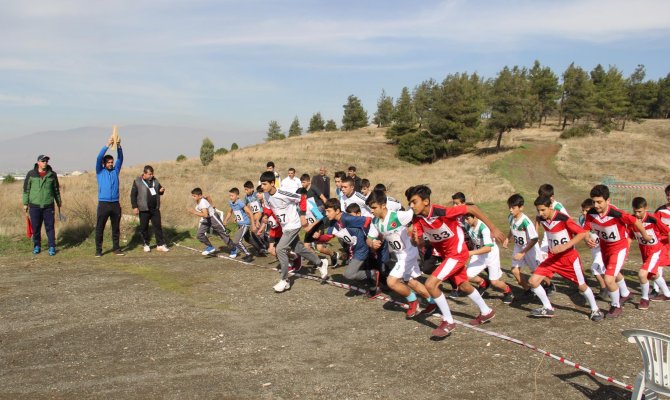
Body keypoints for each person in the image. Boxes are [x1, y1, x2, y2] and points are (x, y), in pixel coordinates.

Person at [406, 185, 503, 338]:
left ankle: (448, 321)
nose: (411, 206)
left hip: (457, 253)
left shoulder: (442, 211)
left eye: (414, 202)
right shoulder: (418, 219)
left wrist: (492, 228)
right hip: (448, 256)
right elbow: (420, 243)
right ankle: (486, 311)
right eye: (409, 203)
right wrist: (415, 240)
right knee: (464, 285)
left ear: (425, 201)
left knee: (430, 284)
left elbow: (473, 208)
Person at [527, 196, 604, 321]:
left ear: (550, 207)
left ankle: (595, 310)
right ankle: (548, 308)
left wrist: (566, 246)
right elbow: (539, 221)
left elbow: (582, 233)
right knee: (533, 281)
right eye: (538, 210)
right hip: (552, 259)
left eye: (543, 210)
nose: (540, 213)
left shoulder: (563, 218)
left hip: (569, 259)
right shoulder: (541, 218)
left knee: (582, 286)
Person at [582, 184, 652, 318]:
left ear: (608, 201)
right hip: (604, 247)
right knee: (612, 272)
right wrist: (586, 238)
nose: (596, 205)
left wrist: (644, 235)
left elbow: (636, 222)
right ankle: (625, 293)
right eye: (594, 202)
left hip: (619, 248)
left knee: (608, 279)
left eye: (599, 202)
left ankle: (615, 306)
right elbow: (586, 228)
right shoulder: (591, 213)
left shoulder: (617, 213)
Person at [365, 190, 434, 318]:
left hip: (408, 253)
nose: (372, 211)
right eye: (370, 208)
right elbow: (369, 239)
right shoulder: (375, 222)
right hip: (399, 255)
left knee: (391, 282)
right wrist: (372, 243)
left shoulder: (397, 216)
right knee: (411, 282)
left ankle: (413, 302)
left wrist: (415, 229)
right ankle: (433, 302)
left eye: (374, 207)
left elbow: (416, 212)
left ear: (383, 205)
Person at [259, 171, 328, 292]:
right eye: (261, 184)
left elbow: (302, 199)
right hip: (285, 226)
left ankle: (285, 280)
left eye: (264, 184)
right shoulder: (266, 195)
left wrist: (302, 216)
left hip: (294, 224)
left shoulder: (283, 193)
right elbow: (269, 208)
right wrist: (266, 215)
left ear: (272, 183)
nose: (262, 187)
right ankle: (321, 263)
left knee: (280, 249)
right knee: (298, 249)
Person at [464, 212, 514, 304]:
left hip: (491, 255)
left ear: (475, 217)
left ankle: (508, 292)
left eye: (468, 219)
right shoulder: (468, 225)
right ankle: (483, 283)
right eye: (465, 219)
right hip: (478, 254)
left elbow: (488, 248)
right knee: (466, 276)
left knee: (494, 282)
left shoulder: (483, 228)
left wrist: (470, 252)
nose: (466, 221)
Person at [630, 197, 670, 308]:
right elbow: (630, 236)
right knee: (653, 274)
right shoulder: (632, 220)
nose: (637, 214)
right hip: (644, 251)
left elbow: (668, 232)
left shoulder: (653, 219)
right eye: (635, 211)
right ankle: (667, 294)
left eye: (639, 211)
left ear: (646, 208)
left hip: (656, 250)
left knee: (642, 274)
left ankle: (644, 299)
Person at [502, 194, 543, 294]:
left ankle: (549, 285)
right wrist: (508, 238)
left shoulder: (525, 222)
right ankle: (527, 290)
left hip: (530, 248)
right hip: (518, 247)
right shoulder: (511, 217)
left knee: (537, 272)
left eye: (513, 208)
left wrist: (523, 252)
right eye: (509, 207)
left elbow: (534, 239)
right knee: (514, 270)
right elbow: (512, 228)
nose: (510, 210)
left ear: (521, 208)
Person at [22, 154, 62, 256]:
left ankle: (52, 247)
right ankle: (37, 246)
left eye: (46, 161)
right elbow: (26, 190)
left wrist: (59, 202)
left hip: (48, 206)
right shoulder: (31, 174)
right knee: (36, 227)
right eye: (43, 161)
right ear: (38, 162)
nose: (45, 163)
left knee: (50, 227)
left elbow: (56, 189)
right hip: (34, 206)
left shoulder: (52, 174)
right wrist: (25, 203)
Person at [95, 136, 124, 257]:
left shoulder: (116, 170)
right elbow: (98, 157)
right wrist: (107, 145)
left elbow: (121, 158)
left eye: (112, 162)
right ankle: (98, 250)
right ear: (104, 163)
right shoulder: (100, 171)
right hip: (103, 203)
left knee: (115, 228)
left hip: (115, 203)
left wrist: (118, 146)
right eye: (109, 162)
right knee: (100, 227)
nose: (111, 164)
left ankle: (116, 248)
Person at [130, 165, 168, 253]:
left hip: (155, 208)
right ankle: (146, 244)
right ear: (144, 174)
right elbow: (133, 195)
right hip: (143, 209)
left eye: (152, 174)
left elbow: (159, 190)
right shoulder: (137, 181)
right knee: (144, 227)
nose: (151, 176)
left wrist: (161, 190)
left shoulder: (155, 180)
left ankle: (160, 244)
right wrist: (134, 206)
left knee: (158, 226)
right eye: (149, 174)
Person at [188, 188, 236, 256]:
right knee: (199, 234)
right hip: (207, 220)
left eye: (194, 196)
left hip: (213, 218)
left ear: (200, 196)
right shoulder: (199, 202)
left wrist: (194, 212)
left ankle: (233, 249)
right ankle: (210, 247)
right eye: (192, 195)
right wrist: (208, 198)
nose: (193, 197)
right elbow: (208, 208)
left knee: (223, 234)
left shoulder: (202, 202)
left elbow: (205, 214)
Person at [578, 198, 607, 300]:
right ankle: (614, 289)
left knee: (594, 268)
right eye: (583, 210)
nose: (584, 213)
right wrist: (587, 241)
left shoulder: (598, 219)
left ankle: (604, 289)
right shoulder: (581, 220)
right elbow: (583, 234)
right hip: (594, 249)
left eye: (587, 210)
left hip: (603, 249)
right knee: (603, 270)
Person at [222, 187, 256, 262]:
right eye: (230, 196)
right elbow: (230, 212)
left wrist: (253, 224)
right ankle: (260, 248)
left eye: (232, 196)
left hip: (245, 224)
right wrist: (226, 220)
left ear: (237, 196)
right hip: (240, 224)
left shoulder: (240, 203)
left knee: (237, 241)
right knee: (248, 239)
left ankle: (248, 254)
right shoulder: (231, 203)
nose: (231, 197)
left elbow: (249, 212)